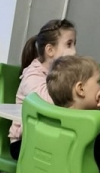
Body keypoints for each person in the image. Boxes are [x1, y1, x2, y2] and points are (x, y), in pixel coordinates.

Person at [8, 18, 77, 160]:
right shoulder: (32, 75)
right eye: (69, 44)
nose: (74, 51)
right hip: (24, 141)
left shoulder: (62, 74)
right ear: (50, 50)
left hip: (50, 135)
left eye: (74, 44)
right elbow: (50, 102)